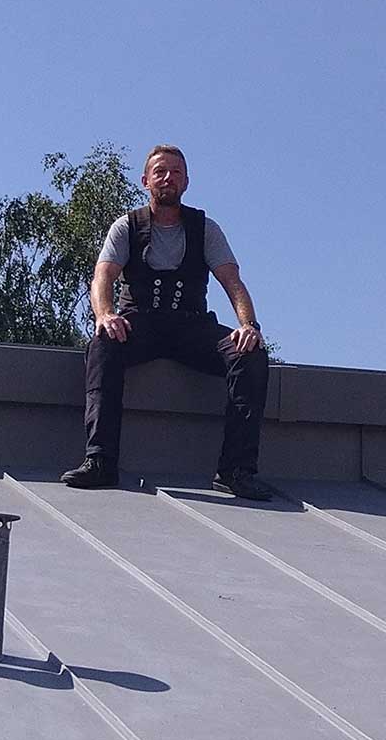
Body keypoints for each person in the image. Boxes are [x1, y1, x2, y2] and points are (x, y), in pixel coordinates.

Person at [60, 144, 273, 500]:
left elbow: (232, 281)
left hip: (192, 327)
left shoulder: (205, 229)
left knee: (249, 355)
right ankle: (100, 461)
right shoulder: (126, 227)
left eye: (175, 172)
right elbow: (102, 277)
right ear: (146, 181)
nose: (167, 178)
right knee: (102, 345)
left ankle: (236, 471)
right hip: (139, 324)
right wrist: (105, 314)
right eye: (160, 172)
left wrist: (249, 325)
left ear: (186, 182)